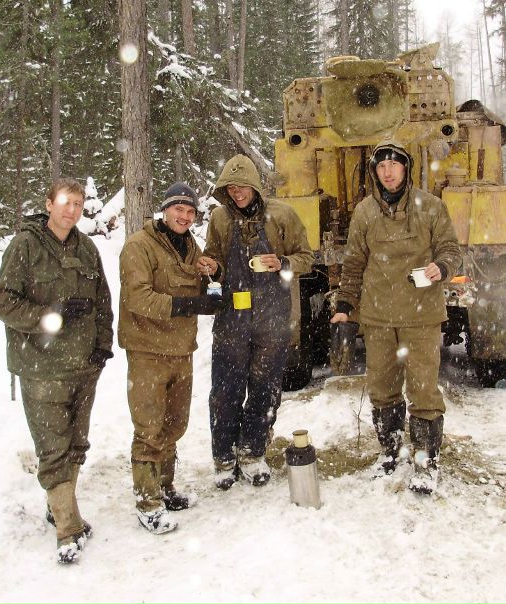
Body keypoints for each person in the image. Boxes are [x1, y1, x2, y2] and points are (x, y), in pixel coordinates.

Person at [0, 177, 113, 563]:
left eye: (78, 204)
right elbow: (2, 302)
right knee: (54, 448)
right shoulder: (25, 247)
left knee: (77, 445)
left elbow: (104, 303)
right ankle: (67, 528)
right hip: (42, 368)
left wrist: (103, 347)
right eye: (65, 202)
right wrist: (49, 316)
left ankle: (59, 504)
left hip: (83, 367)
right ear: (49, 204)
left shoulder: (87, 248)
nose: (71, 210)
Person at [331, 140, 461, 495]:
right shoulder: (365, 212)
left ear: (406, 168)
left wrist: (442, 266)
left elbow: (451, 249)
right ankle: (389, 452)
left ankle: (425, 461)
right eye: (381, 166)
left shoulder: (431, 207)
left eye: (394, 164)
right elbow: (354, 263)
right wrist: (344, 305)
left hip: (421, 316)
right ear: (375, 172)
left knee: (423, 390)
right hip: (378, 317)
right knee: (383, 388)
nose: (387, 171)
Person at [197, 154, 314, 489]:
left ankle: (253, 452)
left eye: (242, 186)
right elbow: (216, 258)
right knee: (224, 392)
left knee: (264, 391)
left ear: (255, 186)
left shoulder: (282, 215)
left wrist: (283, 262)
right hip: (231, 321)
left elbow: (307, 258)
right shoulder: (219, 219)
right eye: (230, 187)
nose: (237, 192)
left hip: (272, 321)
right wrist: (212, 268)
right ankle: (224, 456)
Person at [119, 182, 222, 534]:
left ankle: (165, 488)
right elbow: (138, 298)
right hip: (148, 351)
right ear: (165, 210)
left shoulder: (190, 247)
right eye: (179, 209)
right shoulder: (138, 246)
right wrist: (188, 305)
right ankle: (147, 503)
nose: (185, 216)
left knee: (175, 424)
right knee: (149, 428)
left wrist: (213, 274)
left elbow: (201, 284)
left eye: (191, 212)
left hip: (181, 350)